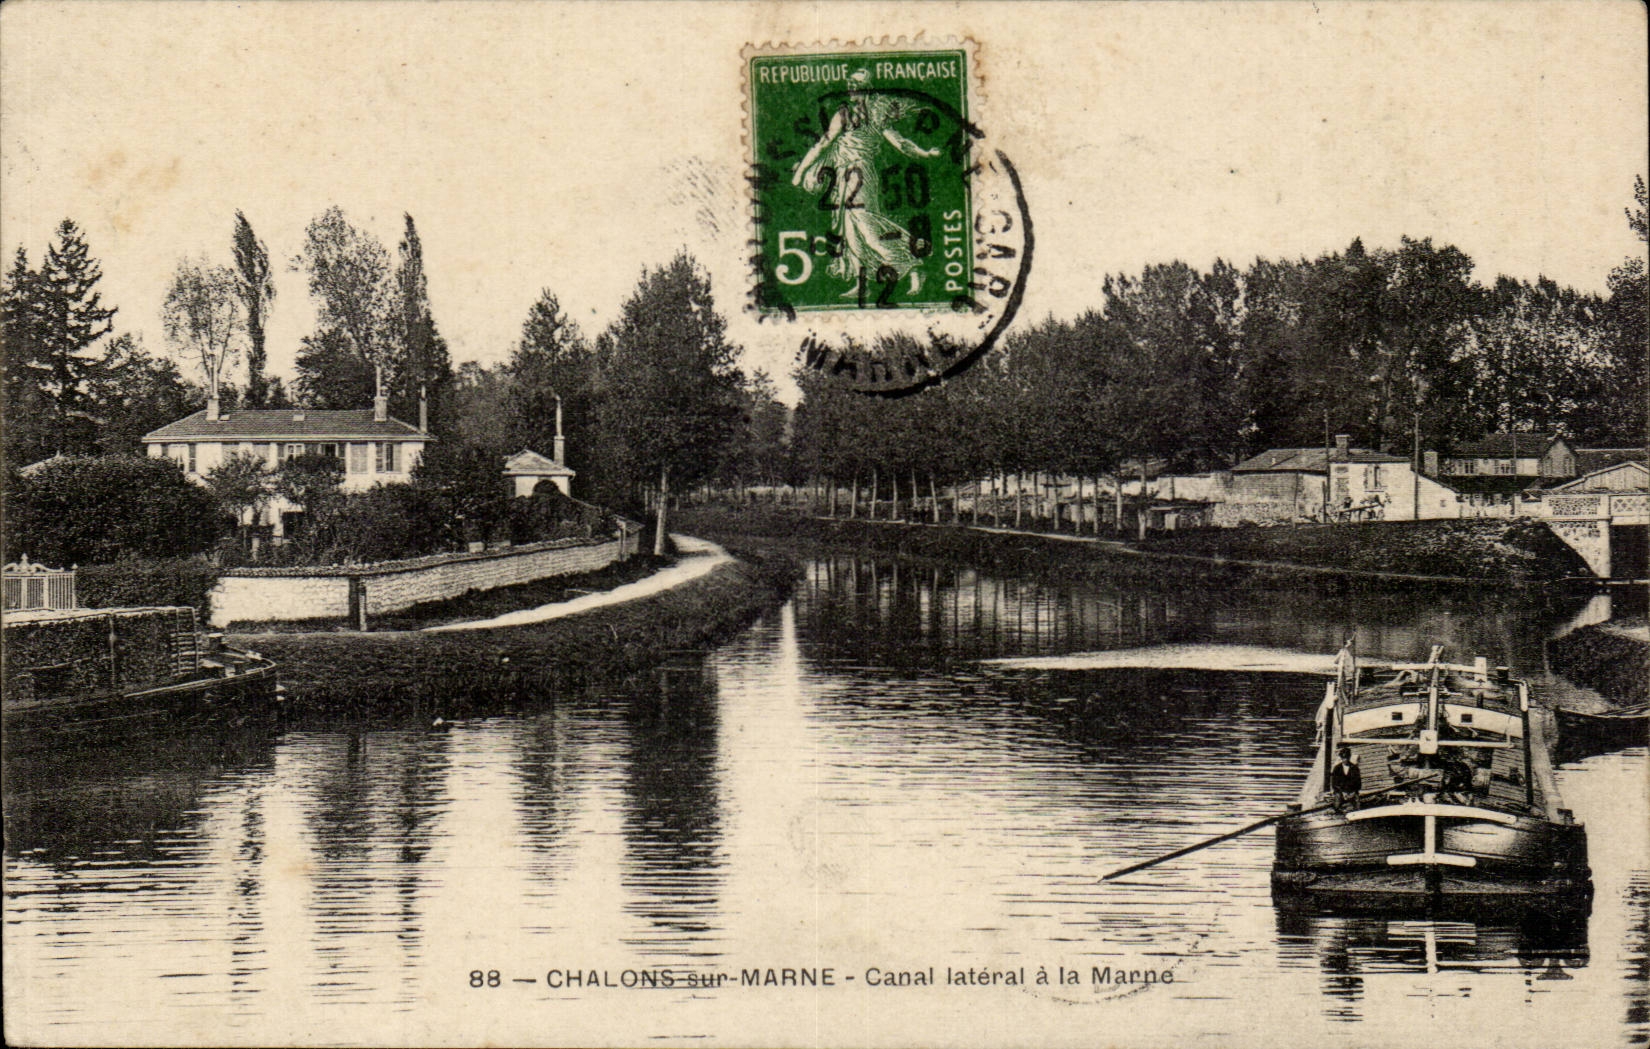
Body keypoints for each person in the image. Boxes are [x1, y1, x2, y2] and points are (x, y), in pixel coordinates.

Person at [1329, 746, 1362, 812]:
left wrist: (1352, 792)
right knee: (1337, 801)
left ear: (1349, 757)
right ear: (1341, 758)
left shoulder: (1354, 768)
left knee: (1357, 803)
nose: (1345, 760)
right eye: (1343, 758)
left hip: (1352, 792)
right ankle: (1337, 812)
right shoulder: (1337, 768)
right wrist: (1343, 793)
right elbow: (1334, 784)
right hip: (1341, 792)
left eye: (1347, 758)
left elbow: (1358, 783)